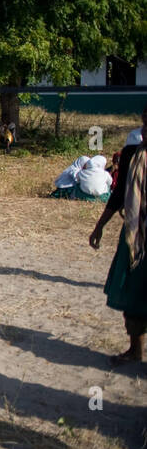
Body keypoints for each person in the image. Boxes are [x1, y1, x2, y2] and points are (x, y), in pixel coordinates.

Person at [89, 103, 147, 365]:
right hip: (136, 234)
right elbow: (120, 194)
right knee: (131, 292)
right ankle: (136, 349)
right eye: (144, 122)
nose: (145, 129)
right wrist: (100, 225)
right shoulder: (132, 154)